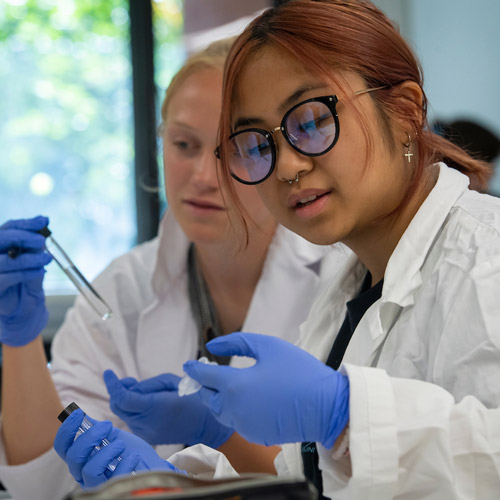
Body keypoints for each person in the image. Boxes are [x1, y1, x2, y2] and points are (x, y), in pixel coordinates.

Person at [178, 1, 500, 498]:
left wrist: (345, 415)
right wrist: (168, 484)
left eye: (310, 122)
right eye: (256, 143)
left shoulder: (488, 260)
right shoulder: (350, 292)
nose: (286, 167)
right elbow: (313, 475)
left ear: (406, 111)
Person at [0, 36, 332, 500]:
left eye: (233, 149)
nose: (201, 175)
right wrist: (19, 341)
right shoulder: (121, 287)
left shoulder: (341, 277)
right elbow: (43, 480)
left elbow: (343, 479)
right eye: (183, 144)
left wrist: (209, 439)